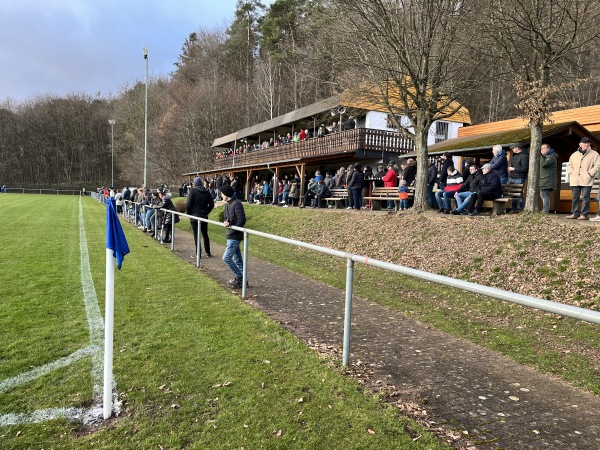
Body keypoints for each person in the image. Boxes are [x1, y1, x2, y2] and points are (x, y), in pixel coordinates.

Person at [566, 137, 600, 220]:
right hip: (575, 179)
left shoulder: (594, 154)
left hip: (586, 179)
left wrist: (590, 174)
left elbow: (597, 165)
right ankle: (575, 213)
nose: (587, 144)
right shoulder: (574, 155)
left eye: (588, 143)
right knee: (575, 197)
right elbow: (569, 165)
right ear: (580, 144)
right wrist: (572, 173)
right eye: (585, 143)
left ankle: (584, 214)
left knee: (585, 197)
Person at [221, 184, 247, 289]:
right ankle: (243, 281)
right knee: (237, 259)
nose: (221, 195)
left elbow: (242, 220)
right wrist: (226, 221)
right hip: (230, 235)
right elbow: (227, 217)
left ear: (227, 194)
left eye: (222, 194)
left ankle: (240, 277)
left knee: (226, 258)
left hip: (234, 236)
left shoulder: (237, 204)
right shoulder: (228, 204)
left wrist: (232, 227)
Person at [186, 176, 215, 258]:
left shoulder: (193, 191)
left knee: (196, 235)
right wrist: (206, 212)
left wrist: (189, 214)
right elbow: (211, 204)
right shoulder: (206, 192)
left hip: (194, 216)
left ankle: (198, 253)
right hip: (203, 216)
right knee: (205, 234)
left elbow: (188, 205)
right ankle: (208, 252)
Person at [507, 142, 529, 213]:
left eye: (513, 148)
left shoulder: (524, 156)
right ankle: (514, 209)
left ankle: (522, 209)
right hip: (512, 177)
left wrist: (513, 169)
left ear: (517, 148)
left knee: (519, 195)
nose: (512, 149)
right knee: (513, 195)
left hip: (519, 178)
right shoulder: (515, 156)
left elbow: (524, 169)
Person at [539, 143, 558, 214]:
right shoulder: (545, 157)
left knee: (545, 195)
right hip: (543, 180)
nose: (541, 150)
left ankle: (545, 210)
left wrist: (540, 157)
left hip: (547, 180)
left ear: (548, 149)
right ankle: (545, 210)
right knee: (543, 195)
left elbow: (544, 164)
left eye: (543, 148)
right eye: (541, 149)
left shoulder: (551, 157)